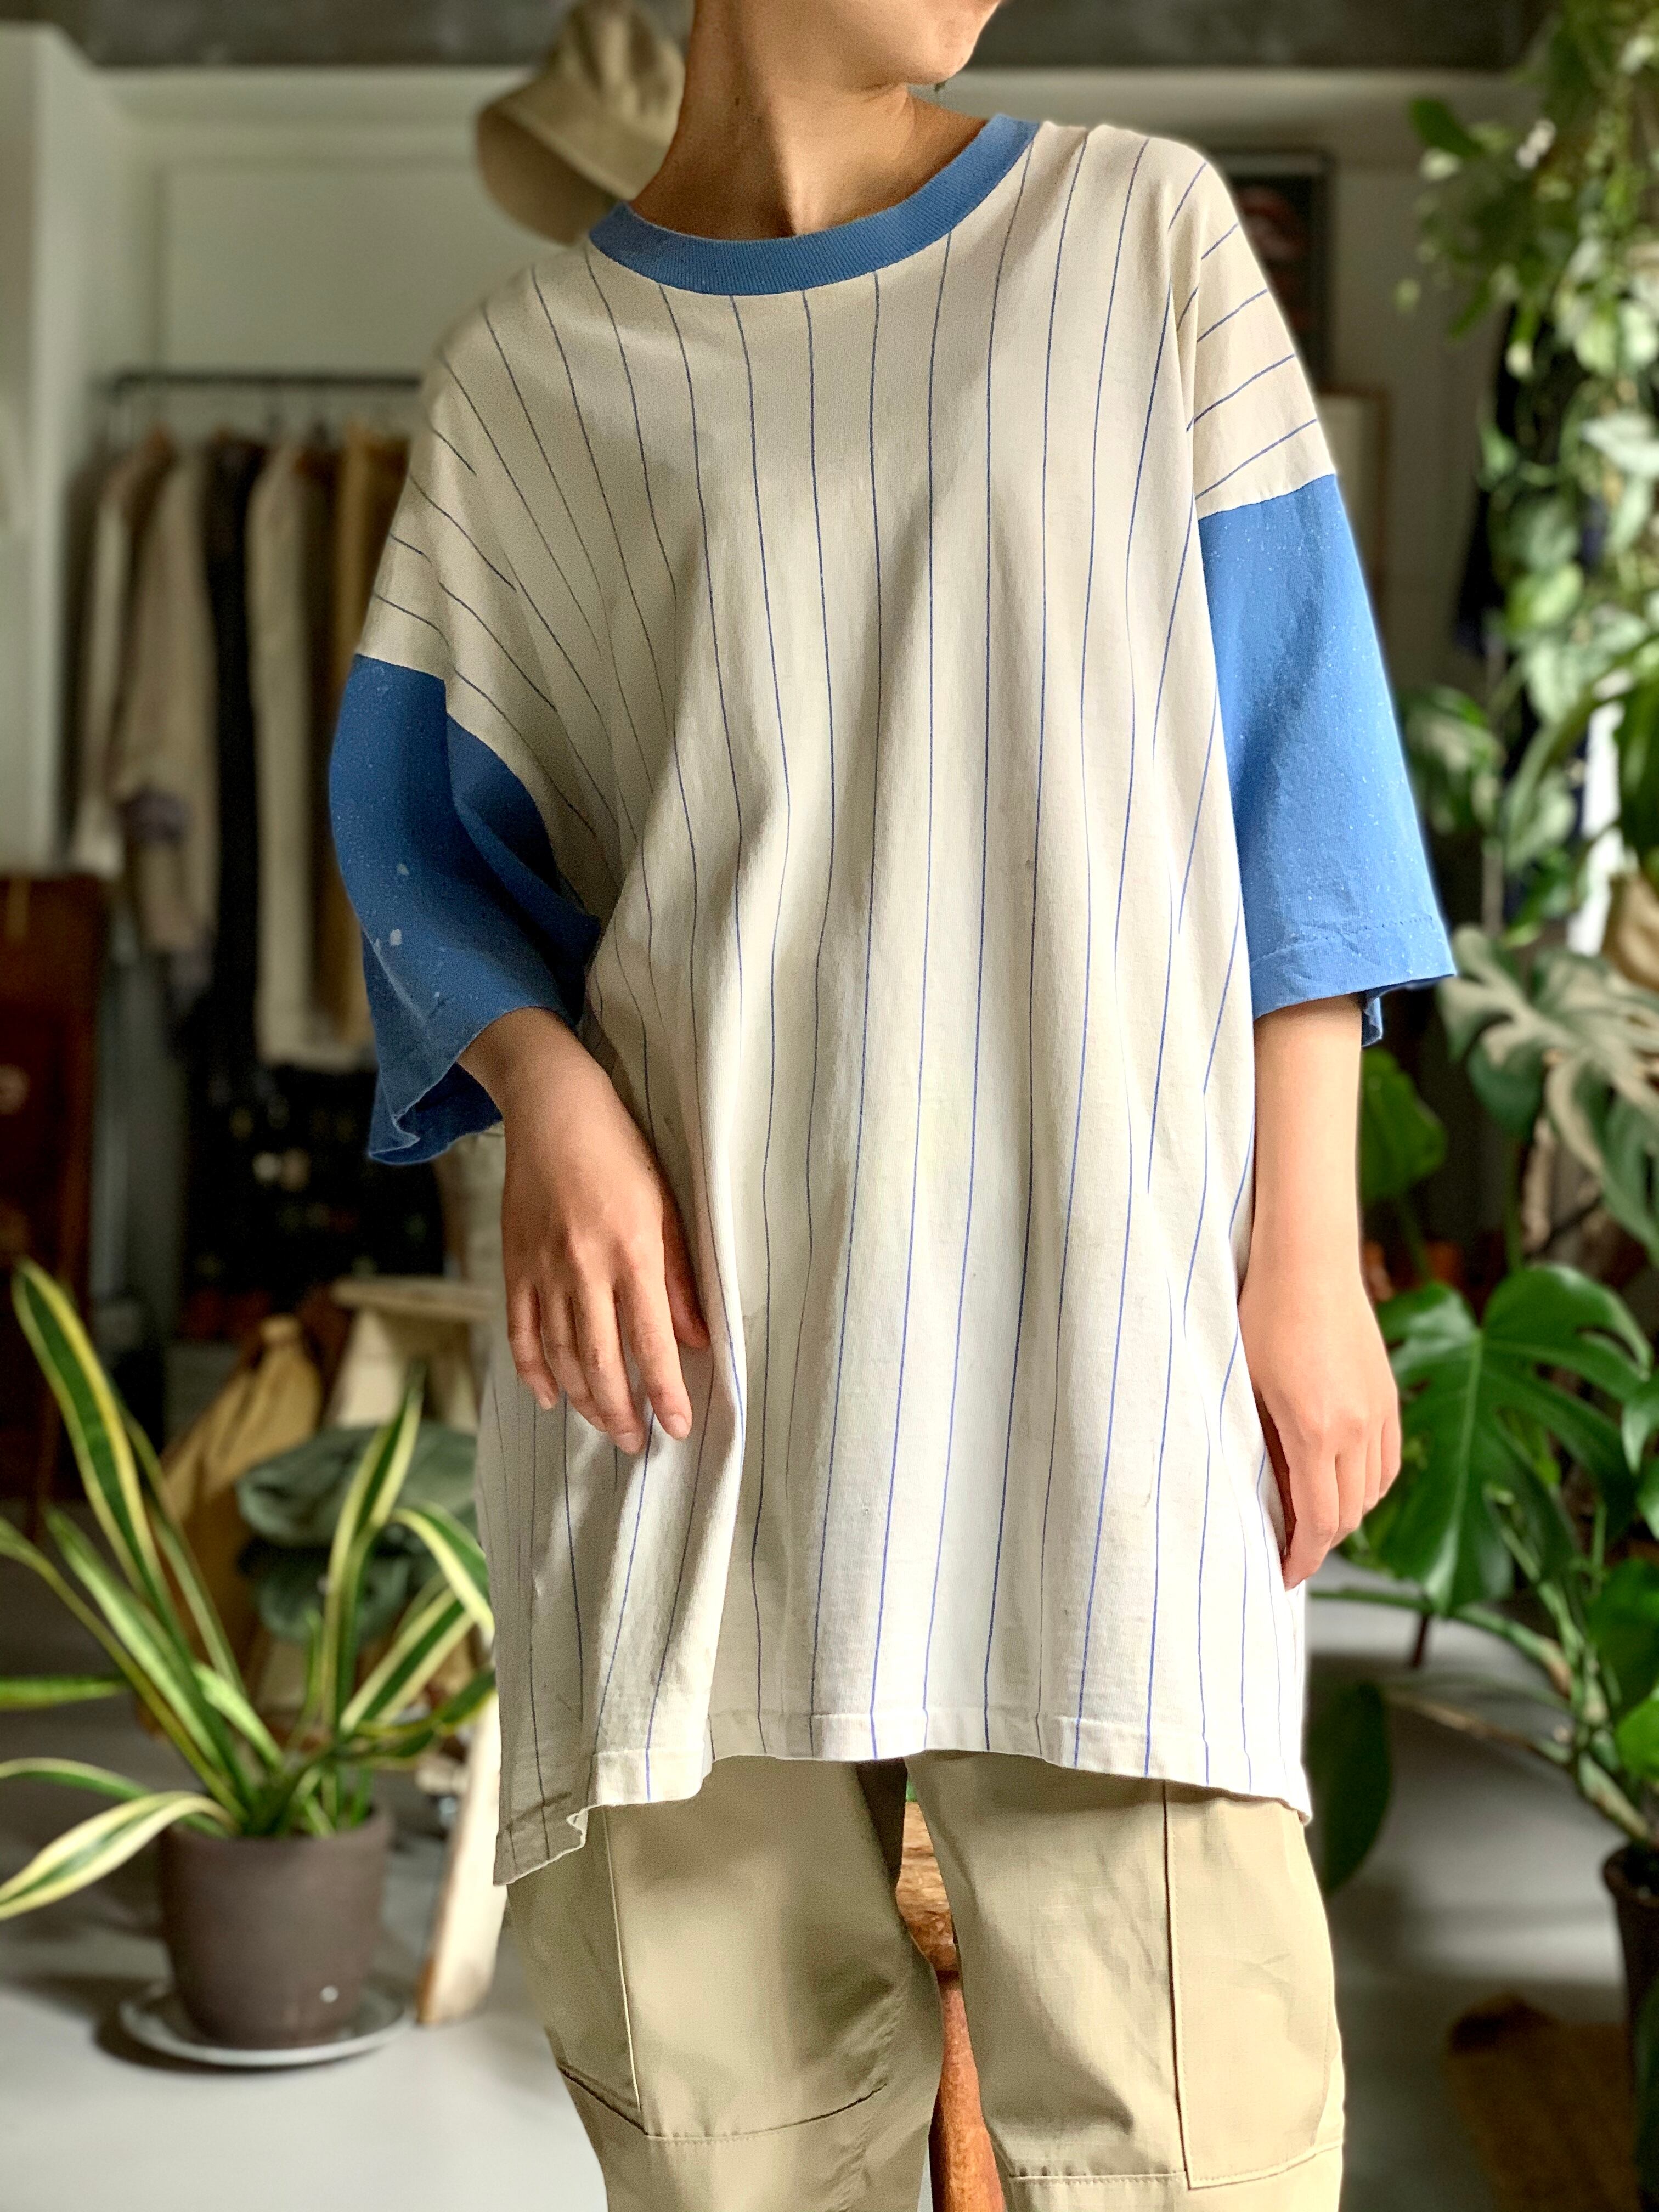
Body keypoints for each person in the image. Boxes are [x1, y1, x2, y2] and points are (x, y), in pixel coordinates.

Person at [330, 1, 1453, 2203]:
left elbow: (1300, 766)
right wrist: (543, 1086)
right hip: (687, 1387)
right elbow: (419, 842)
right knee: (735, 2140)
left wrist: (1306, 1259)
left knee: (1193, 2137)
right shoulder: (524, 378)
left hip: (1104, 1355)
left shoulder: (1138, 239)